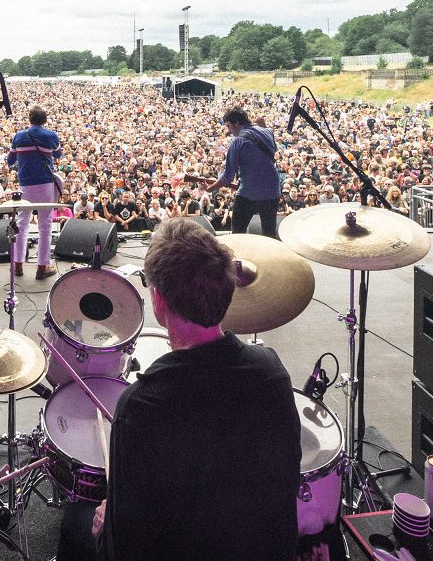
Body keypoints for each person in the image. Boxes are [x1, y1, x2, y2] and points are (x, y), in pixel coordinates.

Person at [63, 218, 300, 560]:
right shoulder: (272, 373)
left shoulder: (142, 407)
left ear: (159, 302)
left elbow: (124, 550)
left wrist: (104, 529)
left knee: (76, 521)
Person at [204, 107, 281, 238]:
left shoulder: (237, 141)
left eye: (229, 126)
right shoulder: (268, 131)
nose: (228, 130)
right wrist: (264, 127)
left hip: (249, 193)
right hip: (272, 192)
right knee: (270, 234)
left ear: (236, 123)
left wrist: (211, 188)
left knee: (237, 234)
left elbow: (228, 176)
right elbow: (273, 151)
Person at [7, 105, 63, 279]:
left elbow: (10, 160)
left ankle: (17, 265)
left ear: (29, 119)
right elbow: (58, 154)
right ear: (45, 120)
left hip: (24, 185)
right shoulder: (51, 136)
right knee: (45, 225)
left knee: (22, 223)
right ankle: (42, 267)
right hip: (45, 183)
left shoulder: (18, 136)